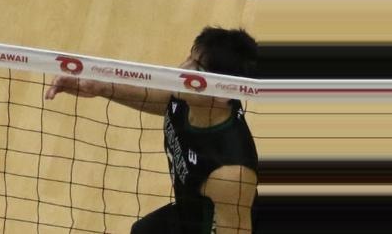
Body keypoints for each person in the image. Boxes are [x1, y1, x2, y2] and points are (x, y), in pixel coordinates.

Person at [46, 27, 260, 232]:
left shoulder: (230, 173)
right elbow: (162, 101)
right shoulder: (187, 99)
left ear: (223, 91)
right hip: (188, 215)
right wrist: (100, 87)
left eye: (196, 69)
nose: (182, 70)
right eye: (189, 58)